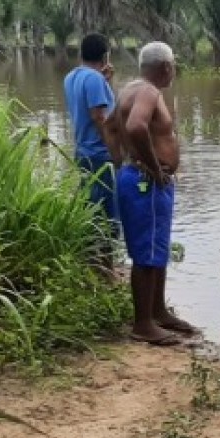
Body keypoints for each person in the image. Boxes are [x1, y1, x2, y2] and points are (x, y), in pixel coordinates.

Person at [115, 41, 195, 346]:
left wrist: (122, 160)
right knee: (146, 254)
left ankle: (158, 311)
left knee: (156, 249)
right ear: (166, 67)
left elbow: (110, 127)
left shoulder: (128, 88)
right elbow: (135, 126)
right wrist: (150, 166)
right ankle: (143, 323)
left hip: (137, 178)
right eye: (173, 66)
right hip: (145, 182)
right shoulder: (148, 91)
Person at [62, 32, 122, 273]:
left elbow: (90, 108)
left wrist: (105, 81)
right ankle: (104, 268)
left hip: (83, 151)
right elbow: (99, 116)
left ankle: (94, 264)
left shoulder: (72, 77)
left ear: (81, 54)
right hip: (100, 154)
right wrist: (115, 152)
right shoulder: (94, 80)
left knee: (92, 206)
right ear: (105, 56)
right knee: (108, 215)